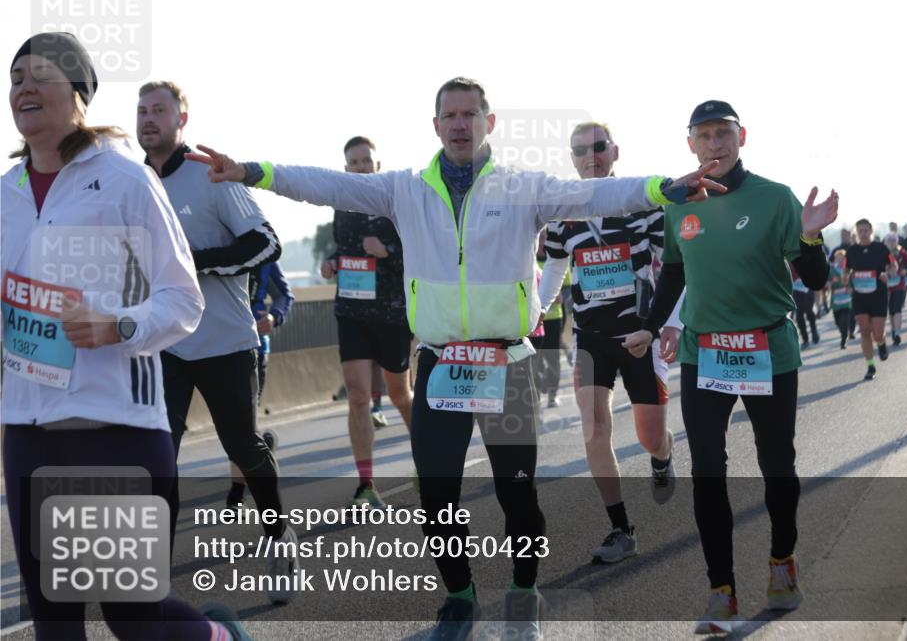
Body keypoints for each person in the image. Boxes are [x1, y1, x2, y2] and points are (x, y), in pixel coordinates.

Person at [186, 77, 725, 640]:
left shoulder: (523, 188)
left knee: (517, 493)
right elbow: (328, 186)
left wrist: (666, 189)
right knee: (436, 492)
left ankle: (523, 594)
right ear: (437, 126)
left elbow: (597, 195)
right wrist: (253, 171)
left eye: (472, 114)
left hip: (507, 363)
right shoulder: (404, 189)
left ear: (489, 123)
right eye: (451, 115)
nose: (461, 124)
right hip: (443, 364)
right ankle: (460, 598)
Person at [3, 31, 250, 641]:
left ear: (80, 93)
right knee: (54, 627)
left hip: (115, 428)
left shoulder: (123, 181)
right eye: (15, 78)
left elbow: (183, 298)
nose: (23, 88)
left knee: (133, 620)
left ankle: (219, 638)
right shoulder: (4, 195)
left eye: (39, 76)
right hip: (28, 433)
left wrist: (118, 323)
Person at [635, 100, 838, 634]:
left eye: (723, 133)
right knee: (708, 468)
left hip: (768, 351)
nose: (714, 144)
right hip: (706, 353)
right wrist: (653, 325)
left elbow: (815, 279)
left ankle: (782, 561)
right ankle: (720, 590)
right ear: (690, 145)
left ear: (741, 136)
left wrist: (813, 236)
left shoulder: (775, 198)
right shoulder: (679, 203)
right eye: (704, 136)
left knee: (777, 464)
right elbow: (674, 275)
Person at [136, 80, 296, 604]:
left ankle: (278, 536)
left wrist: (192, 264)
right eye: (142, 111)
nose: (148, 119)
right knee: (159, 453)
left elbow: (265, 242)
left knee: (244, 446)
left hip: (225, 340)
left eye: (159, 110)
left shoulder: (211, 173)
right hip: (162, 345)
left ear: (182, 117)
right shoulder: (130, 182)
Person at [536, 122, 680, 564]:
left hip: (640, 334)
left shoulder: (640, 202)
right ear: (572, 159)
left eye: (598, 148)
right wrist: (535, 315)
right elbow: (557, 268)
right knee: (595, 430)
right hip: (591, 338)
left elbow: (675, 264)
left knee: (649, 436)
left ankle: (662, 456)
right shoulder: (563, 213)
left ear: (614, 151)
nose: (590, 157)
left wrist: (670, 323)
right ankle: (620, 528)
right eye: (580, 151)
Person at [317, 136, 414, 508]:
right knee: (357, 396)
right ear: (346, 169)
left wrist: (388, 251)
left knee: (399, 395)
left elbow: (419, 254)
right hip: (352, 312)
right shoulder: (342, 206)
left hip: (391, 313)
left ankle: (430, 463)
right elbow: (346, 248)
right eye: (353, 163)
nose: (360, 167)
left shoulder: (394, 203)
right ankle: (366, 484)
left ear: (377, 164)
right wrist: (331, 261)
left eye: (365, 161)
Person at [227, 260, 294, 509]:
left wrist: (274, 317)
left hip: (254, 349)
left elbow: (284, 295)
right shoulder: (206, 246)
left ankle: (236, 494)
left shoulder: (262, 252)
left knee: (240, 421)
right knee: (234, 421)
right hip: (214, 349)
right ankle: (261, 447)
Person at [846, 219, 897, 380]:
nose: (863, 233)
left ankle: (881, 344)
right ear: (857, 232)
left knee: (877, 333)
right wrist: (848, 280)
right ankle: (870, 366)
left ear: (871, 231)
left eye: (866, 230)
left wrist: (886, 274)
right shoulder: (852, 251)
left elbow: (893, 266)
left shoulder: (880, 248)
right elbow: (845, 271)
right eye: (860, 230)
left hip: (878, 294)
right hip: (860, 296)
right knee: (864, 331)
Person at [529, 229, 569, 408]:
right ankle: (537, 393)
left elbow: (568, 286)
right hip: (531, 321)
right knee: (535, 360)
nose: (543, 241)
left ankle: (553, 394)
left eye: (545, 237)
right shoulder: (528, 261)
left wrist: (561, 296)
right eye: (540, 237)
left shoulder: (556, 258)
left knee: (552, 357)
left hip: (554, 317)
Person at [883, 233, 907, 346]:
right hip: (886, 287)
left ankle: (897, 333)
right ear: (886, 242)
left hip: (900, 285)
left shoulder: (901, 252)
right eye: (889, 240)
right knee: (891, 310)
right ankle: (894, 330)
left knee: (897, 308)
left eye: (893, 240)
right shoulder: (882, 253)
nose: (891, 242)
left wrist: (905, 270)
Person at [790, 264, 820, 349]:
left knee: (808, 309)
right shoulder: (787, 257)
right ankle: (805, 339)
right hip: (795, 288)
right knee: (799, 314)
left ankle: (814, 330)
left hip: (808, 285)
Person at [829, 250, 853, 348]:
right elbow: (826, 283)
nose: (840, 260)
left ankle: (844, 338)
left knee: (845, 320)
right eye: (838, 258)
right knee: (838, 322)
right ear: (835, 259)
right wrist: (828, 285)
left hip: (847, 301)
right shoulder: (831, 270)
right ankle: (844, 332)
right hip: (836, 302)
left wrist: (850, 289)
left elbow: (852, 283)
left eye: (842, 259)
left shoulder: (848, 270)